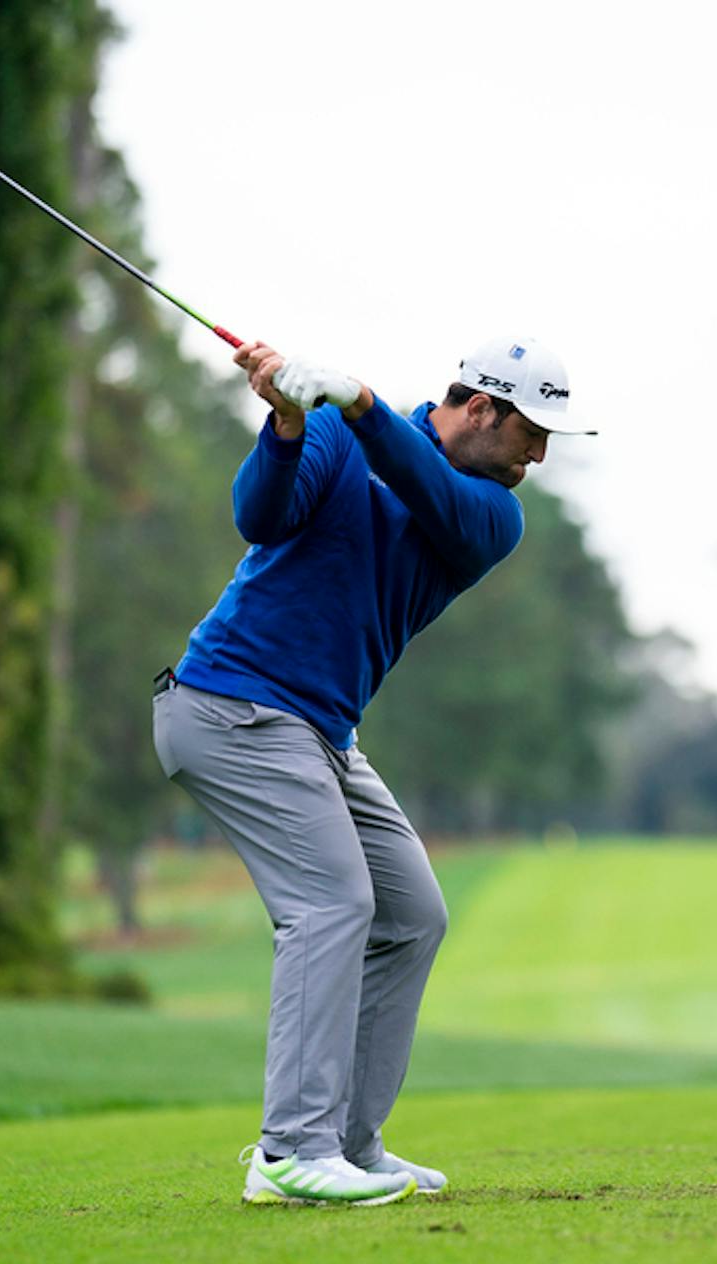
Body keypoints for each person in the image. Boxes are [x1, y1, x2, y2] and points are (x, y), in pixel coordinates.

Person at [152, 336, 594, 1205]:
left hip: (316, 731)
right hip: (229, 704)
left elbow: (426, 487)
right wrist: (285, 423)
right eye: (532, 431)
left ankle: (349, 1143)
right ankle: (289, 1151)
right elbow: (261, 517)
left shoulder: (493, 512)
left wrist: (357, 403)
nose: (540, 454)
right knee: (331, 903)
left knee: (412, 913)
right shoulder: (336, 433)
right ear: (480, 407)